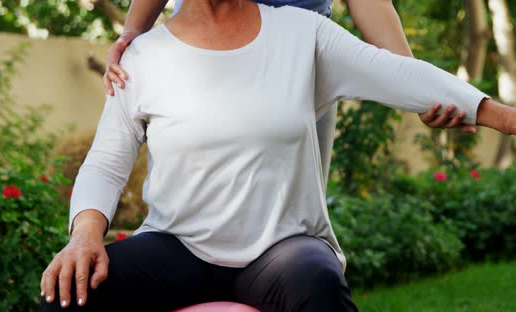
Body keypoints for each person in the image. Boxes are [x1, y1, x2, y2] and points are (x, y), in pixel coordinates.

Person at [40, 0, 516, 311]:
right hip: (179, 244)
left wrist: (504, 116)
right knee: (69, 291)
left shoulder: (303, 34)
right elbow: (105, 159)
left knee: (317, 283)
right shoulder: (143, 58)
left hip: (283, 248)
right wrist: (85, 235)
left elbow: (398, 74)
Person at [102, 0, 478, 184]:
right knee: (189, 219)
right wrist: (133, 34)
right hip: (201, 60)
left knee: (295, 235)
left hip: (300, 74)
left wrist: (416, 87)